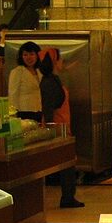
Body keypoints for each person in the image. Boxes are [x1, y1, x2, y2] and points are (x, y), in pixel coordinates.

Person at [39, 49, 83, 209]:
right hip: (58, 128)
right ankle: (68, 197)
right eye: (59, 59)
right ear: (54, 62)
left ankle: (68, 196)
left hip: (63, 126)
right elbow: (48, 108)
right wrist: (50, 129)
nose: (62, 62)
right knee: (67, 163)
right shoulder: (49, 82)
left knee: (68, 163)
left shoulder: (53, 79)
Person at [8, 41, 42, 121]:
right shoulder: (17, 72)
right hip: (24, 112)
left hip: (39, 110)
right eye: (25, 55)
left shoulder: (40, 71)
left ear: (37, 55)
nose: (28, 57)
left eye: (32, 54)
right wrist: (13, 115)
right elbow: (13, 94)